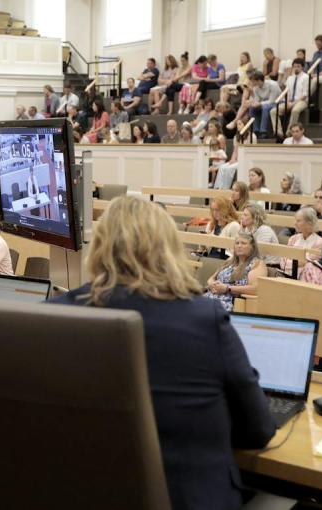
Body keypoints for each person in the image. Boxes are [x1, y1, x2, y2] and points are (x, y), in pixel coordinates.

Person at [50, 197, 275, 510]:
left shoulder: (53, 316)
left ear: (99, 247)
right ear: (168, 249)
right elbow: (259, 429)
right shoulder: (204, 318)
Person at [205, 232, 268, 312]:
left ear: (252, 247)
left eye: (243, 243)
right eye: (237, 243)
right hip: (212, 295)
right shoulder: (230, 261)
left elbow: (255, 289)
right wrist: (211, 284)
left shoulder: (257, 263)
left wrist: (227, 288)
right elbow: (211, 278)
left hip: (230, 301)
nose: (239, 246)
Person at [282, 207, 322, 275]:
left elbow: (307, 264)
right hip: (286, 274)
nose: (295, 224)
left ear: (309, 223)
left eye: (298, 221)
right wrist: (295, 263)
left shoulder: (319, 242)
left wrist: (290, 263)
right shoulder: (293, 238)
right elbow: (283, 261)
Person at [271, 58, 309, 137]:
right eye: (294, 66)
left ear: (302, 67)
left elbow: (305, 95)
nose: (296, 68)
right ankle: (278, 132)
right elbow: (287, 92)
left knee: (295, 110)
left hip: (301, 101)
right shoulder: (290, 78)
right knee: (273, 111)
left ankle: (289, 132)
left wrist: (293, 103)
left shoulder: (305, 77)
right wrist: (287, 102)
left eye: (298, 66)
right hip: (289, 101)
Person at [245, 71, 281, 136]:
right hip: (265, 103)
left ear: (259, 80)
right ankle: (256, 131)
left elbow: (272, 100)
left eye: (253, 81)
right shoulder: (255, 88)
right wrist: (252, 102)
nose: (252, 83)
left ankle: (263, 131)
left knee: (265, 107)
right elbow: (257, 100)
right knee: (252, 108)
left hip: (277, 102)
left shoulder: (273, 85)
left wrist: (260, 104)